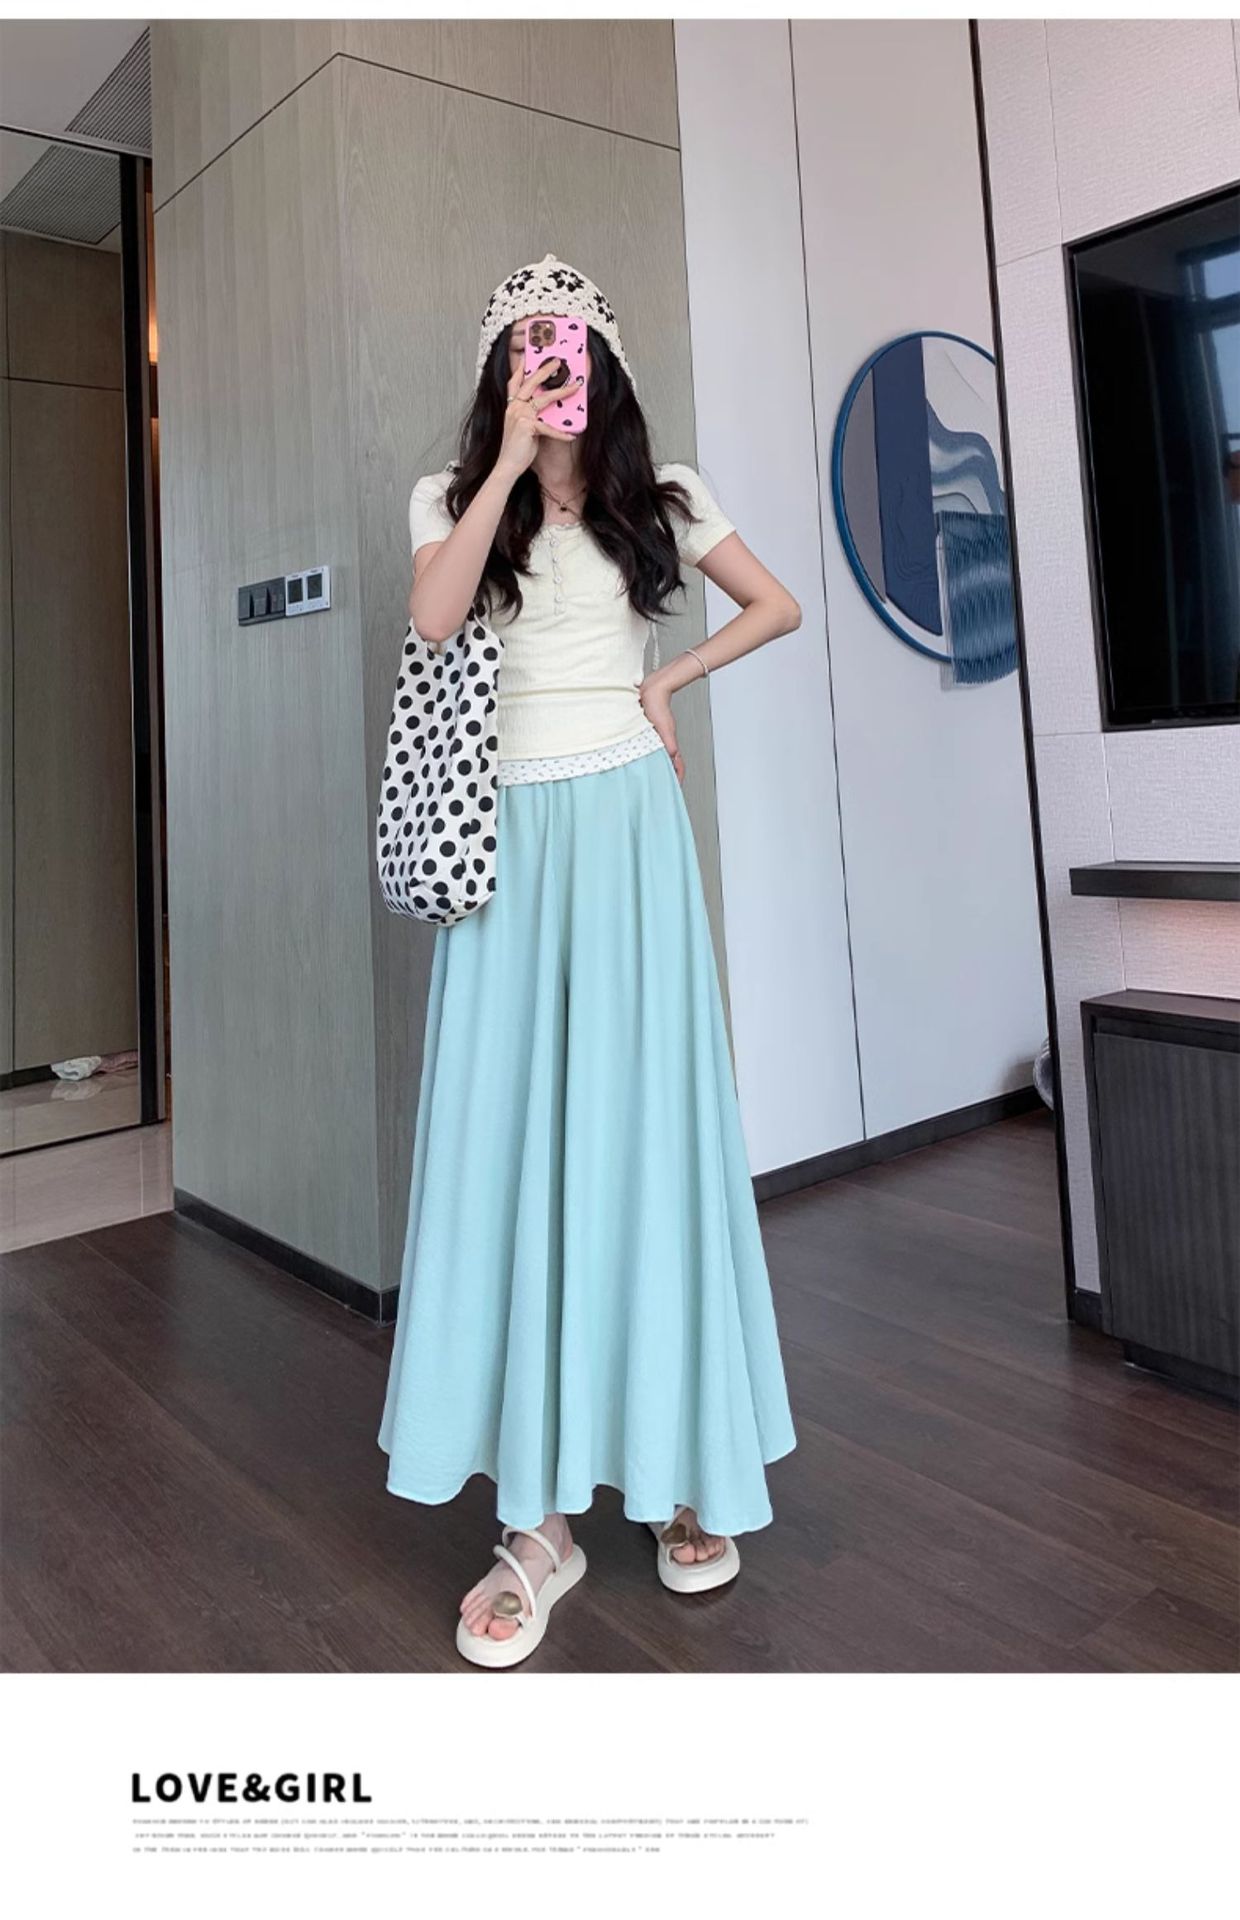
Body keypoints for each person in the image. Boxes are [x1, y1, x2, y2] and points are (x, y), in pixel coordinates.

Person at [377, 253, 800, 1668]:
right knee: (509, 1149)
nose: (549, 370)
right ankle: (538, 1521)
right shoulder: (452, 499)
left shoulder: (659, 495)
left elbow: (775, 605)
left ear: (603, 366)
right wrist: (506, 459)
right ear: (499, 371)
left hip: (625, 826)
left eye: (565, 350)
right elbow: (434, 619)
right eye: (524, 350)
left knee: (645, 1138)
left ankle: (680, 1464)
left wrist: (663, 681)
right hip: (507, 844)